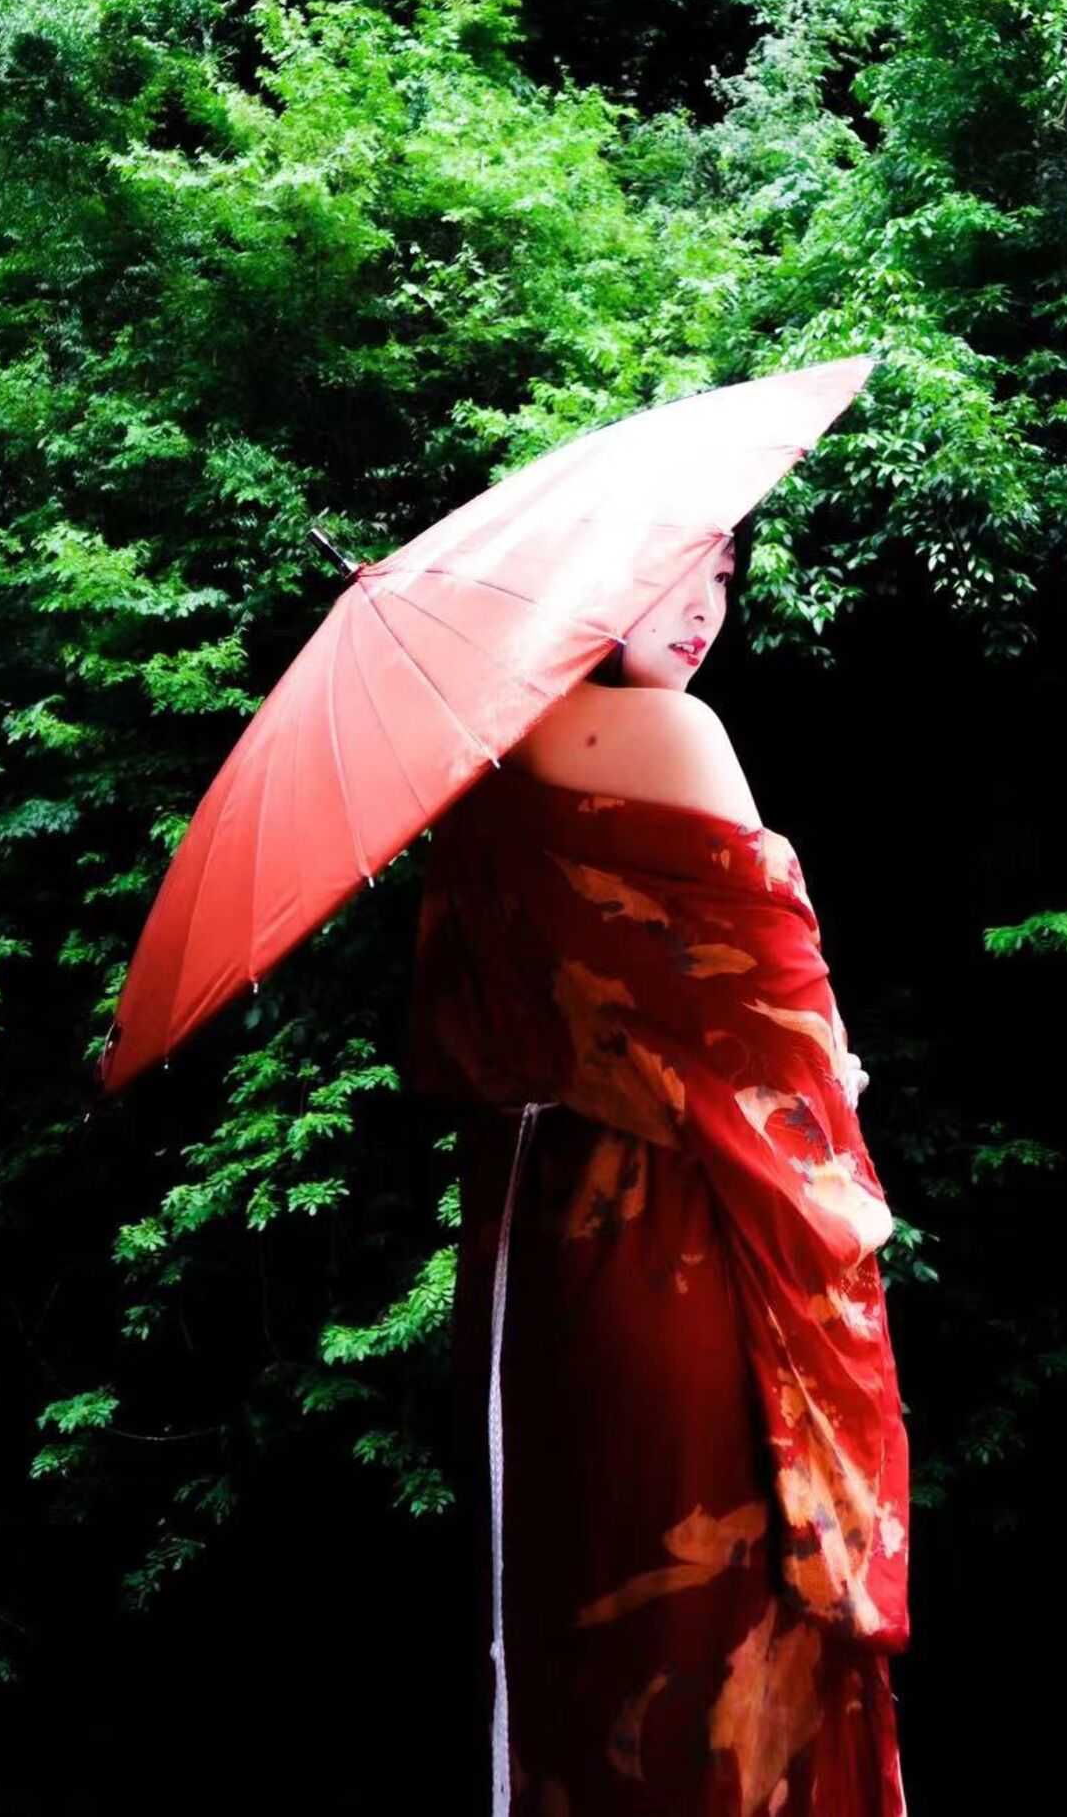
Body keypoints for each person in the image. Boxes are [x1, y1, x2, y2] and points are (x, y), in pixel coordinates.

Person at [410, 518, 910, 1813]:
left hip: (533, 1249)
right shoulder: (676, 735)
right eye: (674, 566)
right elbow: (787, 1032)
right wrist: (836, 1082)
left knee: (574, 1625)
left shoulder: (474, 762)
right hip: (680, 1235)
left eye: (724, 576)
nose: (703, 605)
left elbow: (459, 1037)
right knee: (717, 1633)